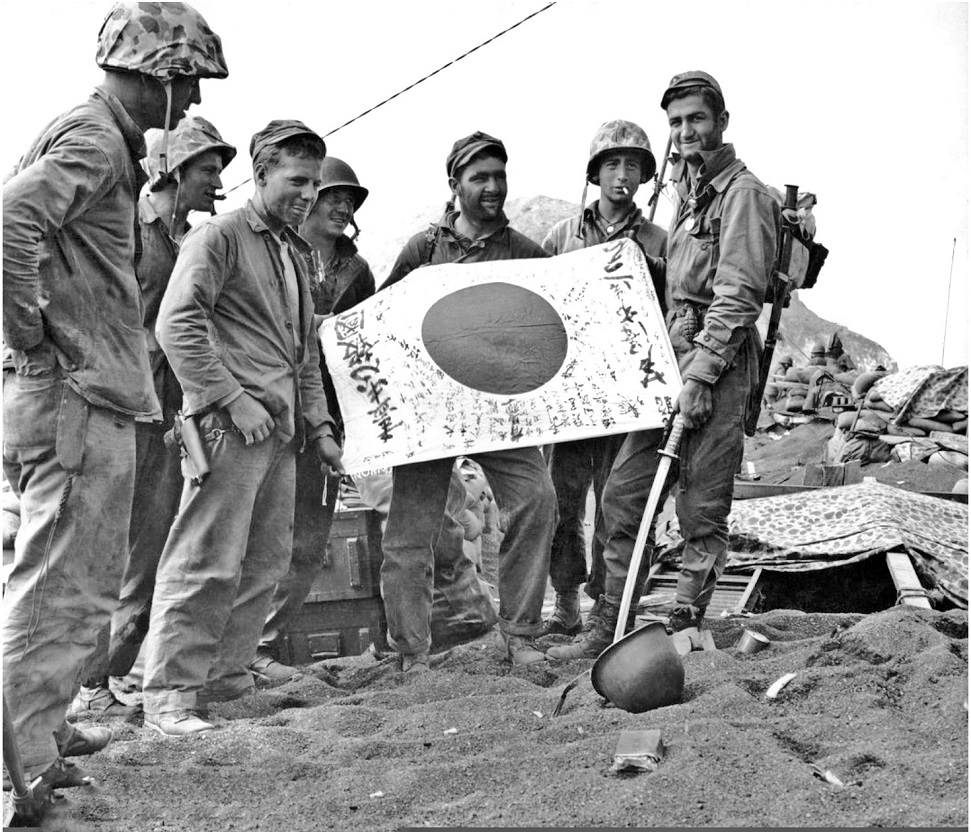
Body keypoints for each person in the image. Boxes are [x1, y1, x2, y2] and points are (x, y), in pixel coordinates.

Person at [1, 1, 227, 787]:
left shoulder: (94, 136)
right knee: (57, 582)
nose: (194, 100)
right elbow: (10, 219)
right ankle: (19, 764)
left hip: (82, 390)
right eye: (190, 79)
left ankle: (44, 728)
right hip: (71, 392)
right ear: (161, 73)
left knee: (82, 580)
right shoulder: (97, 138)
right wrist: (28, 332)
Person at [141, 120, 343, 736]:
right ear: (261, 174)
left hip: (281, 435)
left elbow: (302, 353)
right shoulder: (219, 237)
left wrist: (322, 427)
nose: (309, 194)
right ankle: (170, 695)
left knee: (264, 562)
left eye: (314, 182)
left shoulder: (292, 249)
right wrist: (232, 399)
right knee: (205, 559)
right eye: (296, 180)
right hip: (230, 430)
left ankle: (226, 676)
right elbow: (176, 326)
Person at [573, 70, 780, 650]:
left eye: (696, 120)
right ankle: (608, 622)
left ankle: (687, 624)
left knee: (701, 508)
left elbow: (738, 296)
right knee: (623, 493)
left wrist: (701, 374)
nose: (686, 132)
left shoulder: (742, 195)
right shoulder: (690, 197)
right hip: (670, 361)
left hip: (719, 367)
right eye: (676, 123)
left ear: (721, 123)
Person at [70, 116, 237, 716]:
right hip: (118, 408)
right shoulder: (128, 231)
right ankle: (89, 686)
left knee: (155, 546)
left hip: (169, 414)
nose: (218, 182)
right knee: (110, 553)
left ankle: (107, 677)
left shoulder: (186, 240)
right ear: (172, 171)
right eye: (208, 170)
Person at [380, 131, 557, 670]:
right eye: (479, 177)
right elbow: (384, 318)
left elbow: (545, 331)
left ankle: (521, 633)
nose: (493, 187)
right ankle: (411, 652)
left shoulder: (526, 253)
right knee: (409, 534)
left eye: (500, 176)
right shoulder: (423, 250)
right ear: (454, 185)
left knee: (536, 500)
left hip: (499, 412)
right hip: (431, 416)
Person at [539, 120, 667, 640]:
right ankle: (565, 601)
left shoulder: (660, 240)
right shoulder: (561, 237)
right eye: (612, 164)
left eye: (632, 165)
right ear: (595, 172)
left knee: (618, 500)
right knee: (562, 499)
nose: (622, 175)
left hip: (629, 395)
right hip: (572, 393)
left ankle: (605, 610)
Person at [251, 157, 376, 682]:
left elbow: (367, 344)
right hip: (271, 413)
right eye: (334, 195)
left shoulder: (359, 269)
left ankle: (263, 645)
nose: (342, 206)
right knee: (259, 540)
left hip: (329, 420)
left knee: (308, 544)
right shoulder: (274, 255)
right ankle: (236, 652)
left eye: (350, 200)